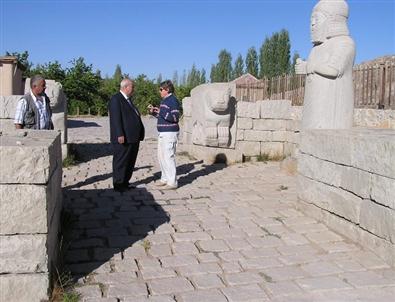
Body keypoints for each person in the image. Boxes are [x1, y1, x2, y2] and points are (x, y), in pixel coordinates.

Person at [109, 78, 145, 192]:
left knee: (130, 161)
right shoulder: (116, 99)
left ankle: (125, 182)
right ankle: (118, 184)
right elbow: (115, 119)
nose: (133, 89)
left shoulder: (129, 100)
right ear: (125, 87)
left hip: (133, 137)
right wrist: (120, 134)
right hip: (123, 137)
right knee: (121, 161)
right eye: (132, 87)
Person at [148, 80, 180, 190]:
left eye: (161, 89)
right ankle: (165, 178)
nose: (159, 91)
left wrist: (161, 111)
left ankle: (172, 182)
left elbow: (175, 118)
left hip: (170, 133)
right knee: (161, 157)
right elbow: (163, 117)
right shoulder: (165, 101)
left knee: (168, 156)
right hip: (163, 133)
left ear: (167, 89)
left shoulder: (173, 100)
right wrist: (154, 112)